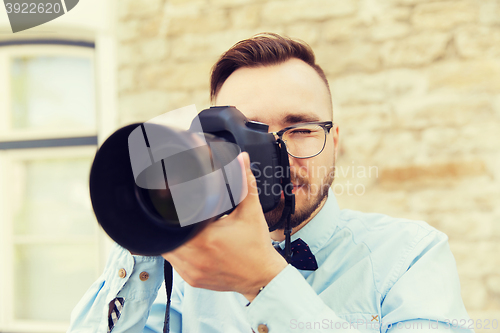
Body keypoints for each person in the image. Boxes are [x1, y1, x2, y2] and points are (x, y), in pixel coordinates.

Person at [68, 33, 472, 333]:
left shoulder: (409, 255)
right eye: (248, 135)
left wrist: (264, 280)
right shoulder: (191, 269)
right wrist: (154, 219)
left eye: (300, 129)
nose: (275, 157)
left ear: (334, 142)